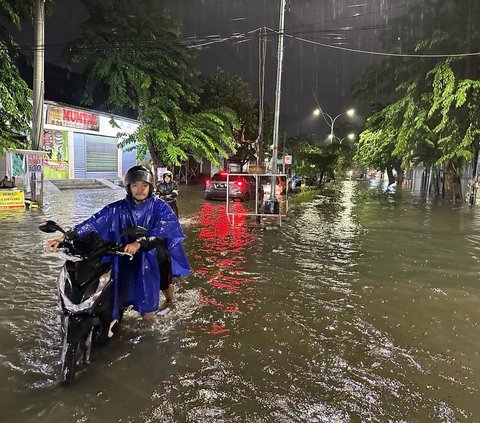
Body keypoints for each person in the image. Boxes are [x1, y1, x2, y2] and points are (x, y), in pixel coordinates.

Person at [45, 165, 190, 320]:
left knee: (150, 309)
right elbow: (94, 222)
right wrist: (66, 237)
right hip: (123, 255)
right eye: (135, 185)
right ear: (128, 187)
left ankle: (168, 304)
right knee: (117, 296)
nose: (140, 189)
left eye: (144, 185)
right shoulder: (117, 208)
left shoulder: (160, 206)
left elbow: (164, 229)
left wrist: (140, 242)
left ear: (151, 186)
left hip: (151, 255)